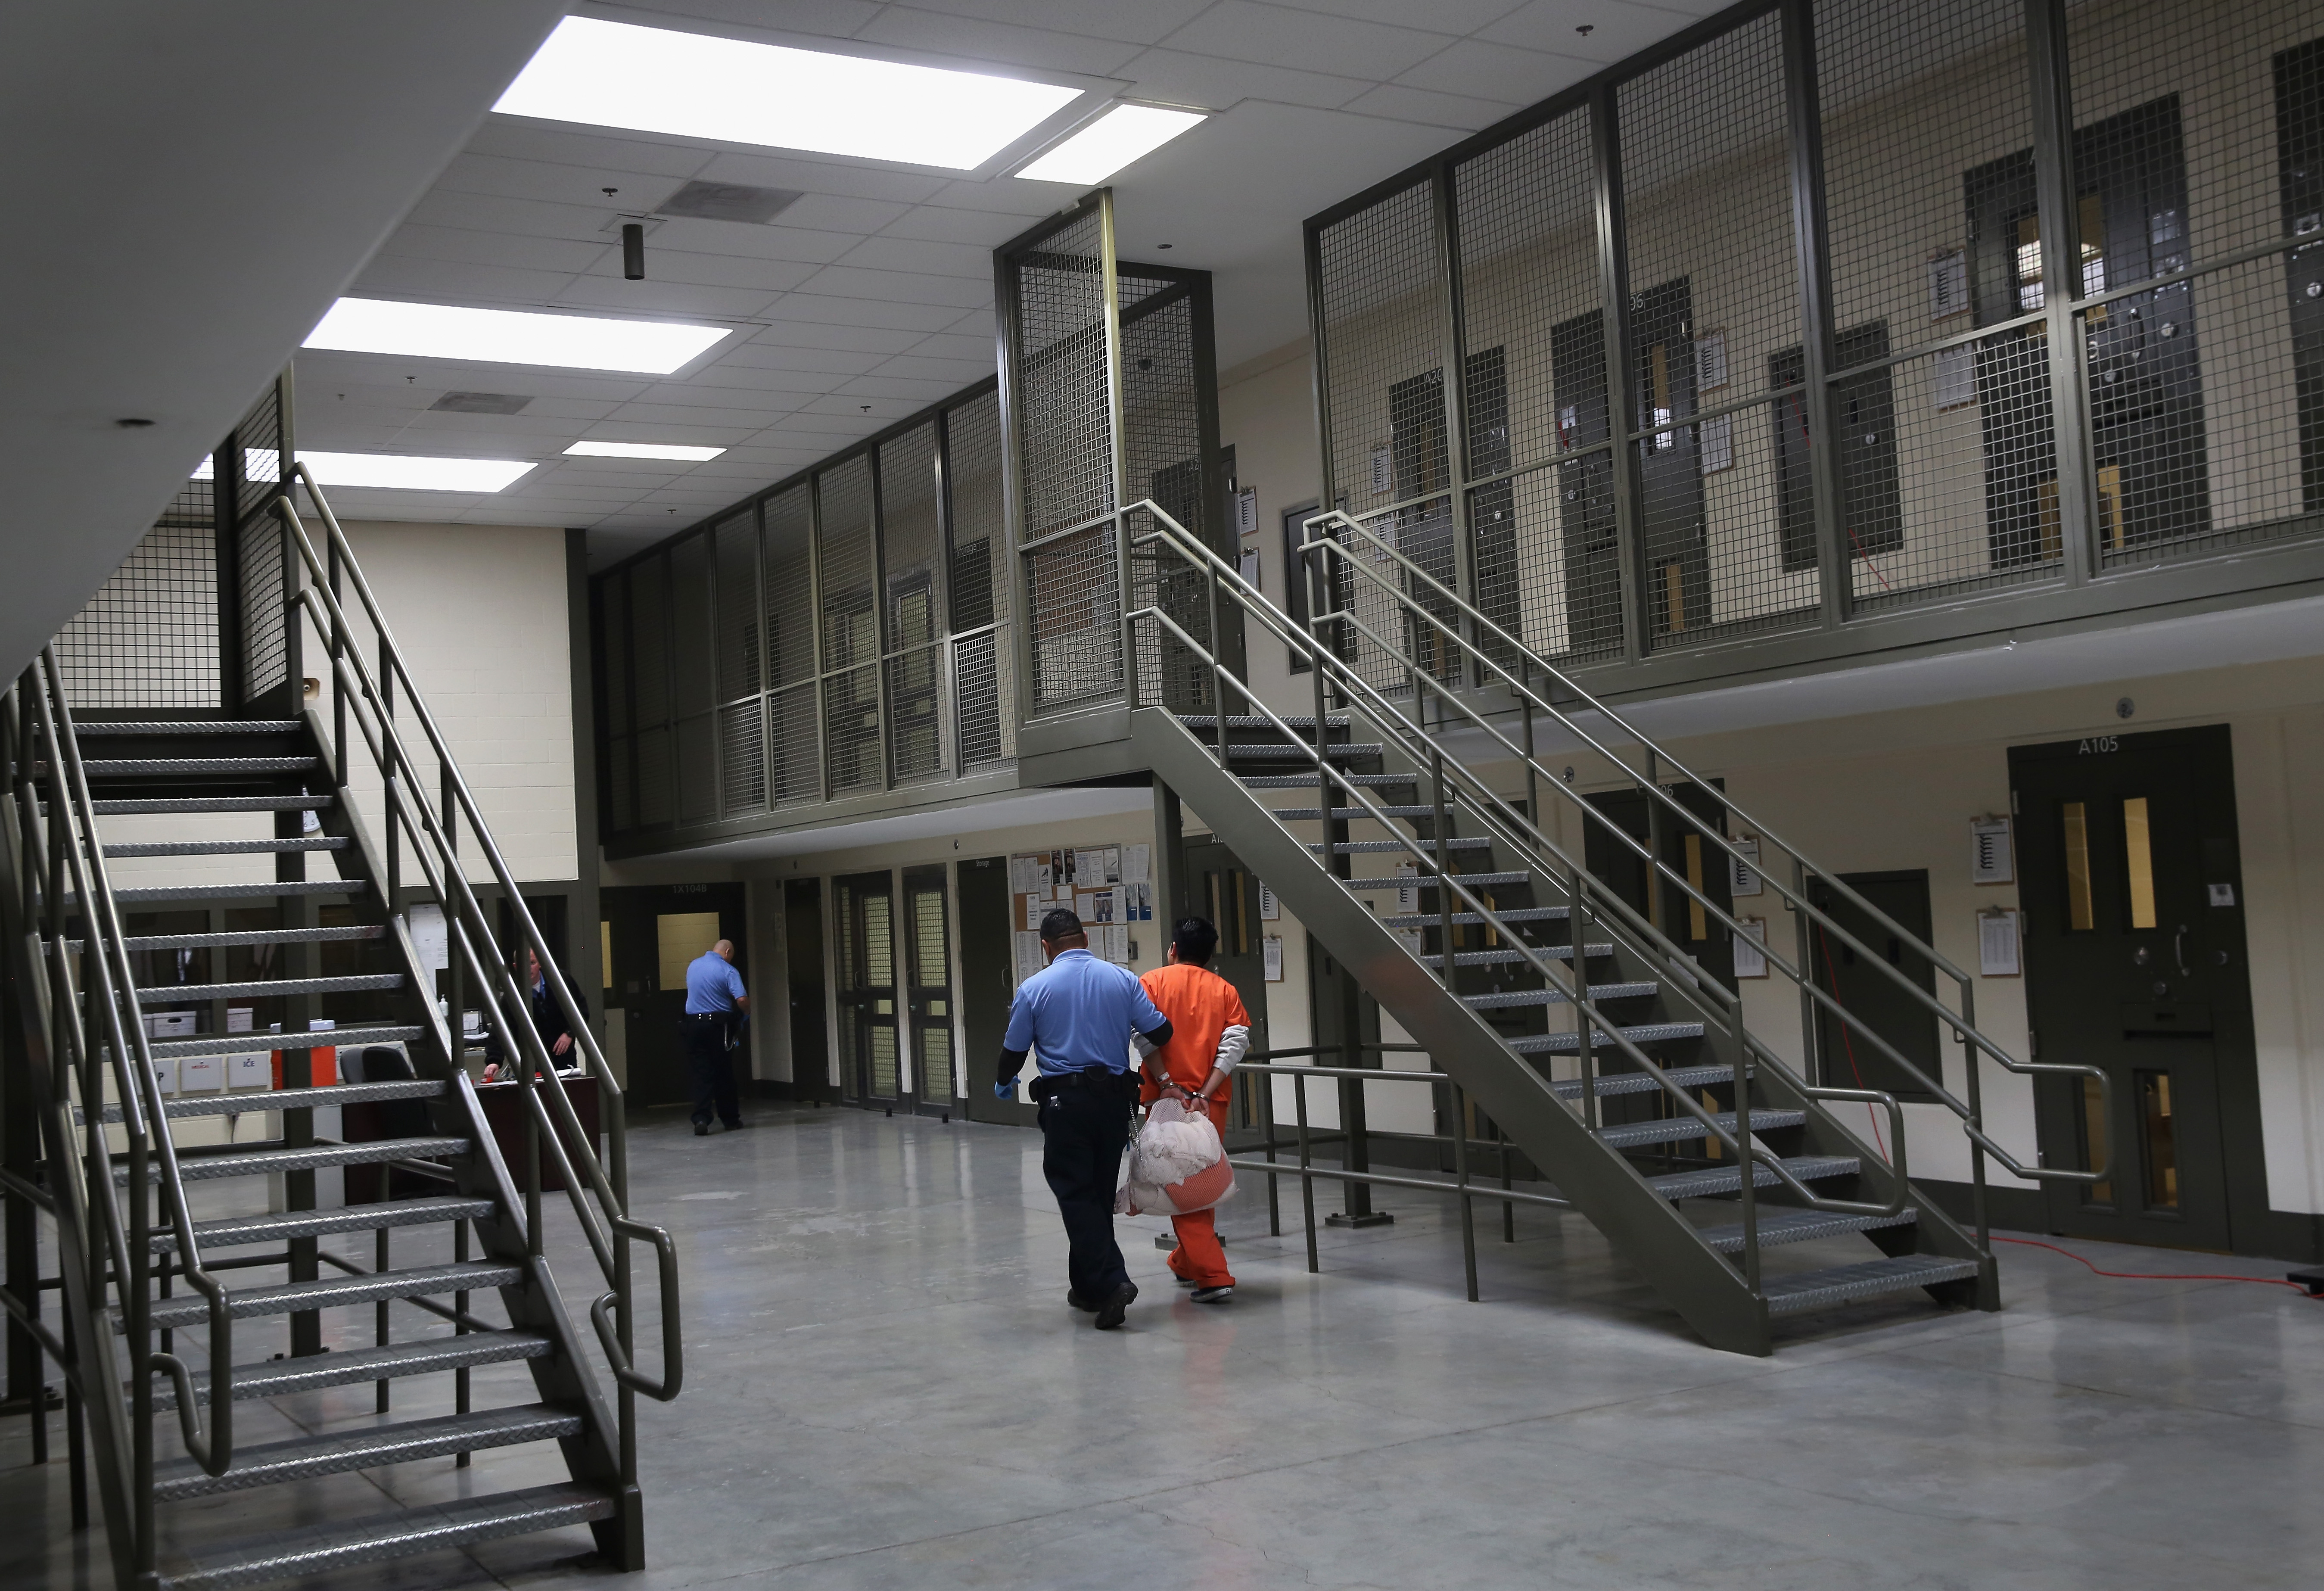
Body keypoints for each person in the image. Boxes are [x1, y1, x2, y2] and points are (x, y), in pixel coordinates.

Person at [994, 908, 1173, 1331]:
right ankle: (1087, 1287)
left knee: (1075, 1195)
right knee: (1094, 1194)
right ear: (1085, 940)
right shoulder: (1123, 979)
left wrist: (1004, 1081)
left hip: (1066, 1105)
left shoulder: (1034, 988)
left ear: (1045, 947)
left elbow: (1014, 1051)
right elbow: (1161, 1032)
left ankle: (1113, 1281)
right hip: (1115, 1104)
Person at [1136, 917, 1250, 1305]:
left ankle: (1213, 1276)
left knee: (1181, 1184)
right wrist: (1204, 1091)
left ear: (1173, 948)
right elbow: (1235, 1043)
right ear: (1210, 954)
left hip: (1165, 1100)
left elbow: (1142, 1035)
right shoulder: (1225, 990)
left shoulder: (1151, 982)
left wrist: (1167, 1080)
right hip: (1208, 1103)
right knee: (1200, 1179)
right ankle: (1185, 1262)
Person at [482, 947, 588, 1078]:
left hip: (564, 1060)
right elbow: (500, 1031)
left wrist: (570, 1033)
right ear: (516, 967)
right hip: (532, 1064)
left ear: (540, 964)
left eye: (532, 963)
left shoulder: (561, 981)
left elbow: (582, 1011)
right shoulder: (512, 998)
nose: (528, 968)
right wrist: (494, 1061)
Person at [684, 938, 749, 1136]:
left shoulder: (693, 965)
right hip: (718, 1027)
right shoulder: (728, 970)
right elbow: (742, 999)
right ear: (728, 952)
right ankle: (730, 1120)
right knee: (723, 1073)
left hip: (694, 1025)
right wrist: (746, 1015)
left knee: (702, 1073)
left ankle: (701, 1119)